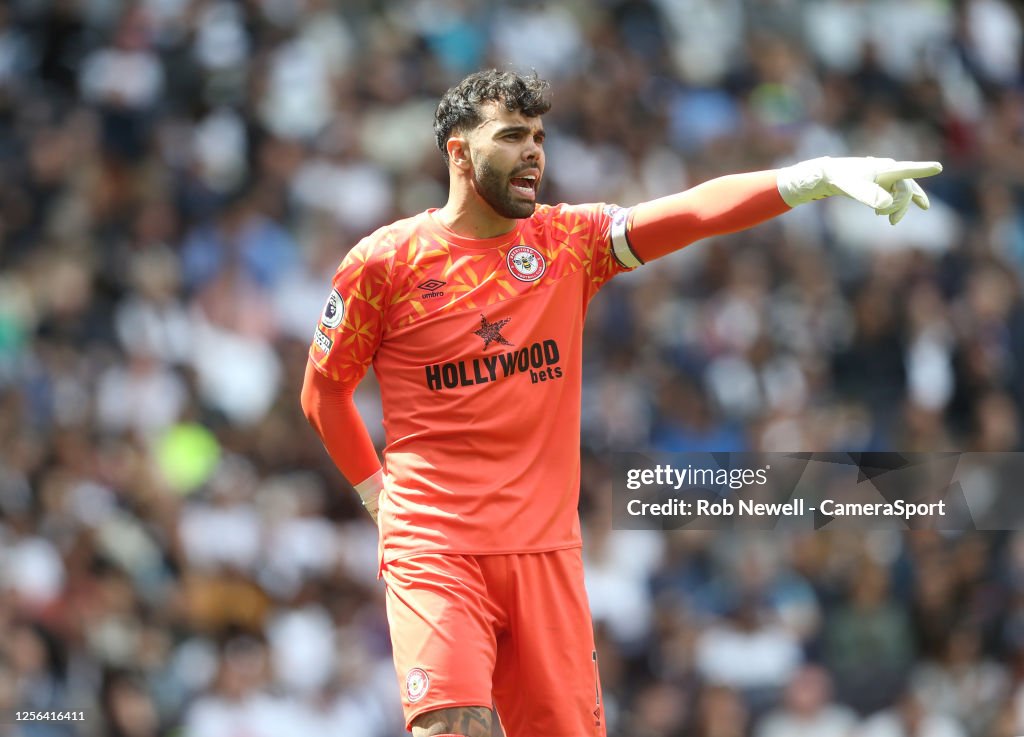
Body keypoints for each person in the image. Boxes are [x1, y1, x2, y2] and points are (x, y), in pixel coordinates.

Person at [300, 69, 941, 737]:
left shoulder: (565, 242)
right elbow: (324, 393)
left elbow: (689, 212)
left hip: (546, 552)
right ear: (459, 152)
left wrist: (812, 176)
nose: (534, 152)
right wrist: (380, 500)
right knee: (455, 728)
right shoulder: (385, 263)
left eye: (540, 137)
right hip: (437, 545)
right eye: (513, 135)